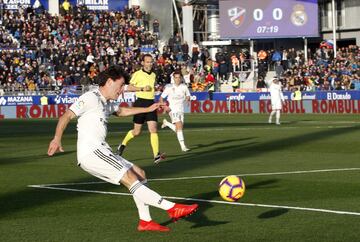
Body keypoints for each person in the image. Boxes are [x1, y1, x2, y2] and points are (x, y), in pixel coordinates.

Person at [47, 66, 198, 232]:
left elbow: (122, 111)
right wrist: (56, 138)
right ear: (110, 82)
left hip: (102, 151)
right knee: (128, 176)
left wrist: (148, 109)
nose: (121, 91)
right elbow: (66, 115)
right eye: (120, 86)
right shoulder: (90, 97)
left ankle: (145, 221)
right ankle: (171, 207)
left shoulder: (107, 102)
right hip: (91, 152)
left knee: (139, 174)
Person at [117, 54, 165, 164]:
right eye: (147, 62)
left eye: (151, 61)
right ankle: (123, 144)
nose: (149, 64)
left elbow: (153, 87)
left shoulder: (153, 74)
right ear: (142, 63)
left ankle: (156, 155)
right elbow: (128, 87)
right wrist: (142, 88)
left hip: (151, 103)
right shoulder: (137, 74)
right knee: (136, 132)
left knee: (153, 129)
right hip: (140, 103)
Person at [159, 70, 191, 152]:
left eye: (179, 78)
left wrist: (187, 99)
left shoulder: (184, 87)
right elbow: (161, 98)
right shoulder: (169, 87)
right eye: (175, 77)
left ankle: (166, 123)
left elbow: (188, 95)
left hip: (181, 109)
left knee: (178, 129)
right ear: (173, 78)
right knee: (179, 126)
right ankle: (183, 147)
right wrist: (164, 106)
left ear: (181, 78)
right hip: (172, 110)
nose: (177, 79)